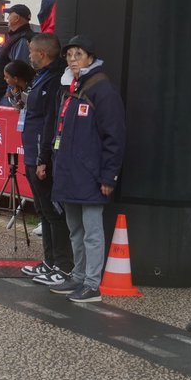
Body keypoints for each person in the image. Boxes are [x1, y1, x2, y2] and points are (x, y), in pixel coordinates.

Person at [37, 35, 126, 303]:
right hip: (68, 173)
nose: (73, 59)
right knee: (74, 229)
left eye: (78, 54)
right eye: (69, 55)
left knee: (92, 231)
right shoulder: (69, 88)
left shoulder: (103, 90)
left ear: (90, 57)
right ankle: (77, 276)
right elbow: (58, 129)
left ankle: (91, 284)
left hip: (90, 174)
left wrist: (108, 175)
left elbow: (115, 136)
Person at [17, 34, 71, 285]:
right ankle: (49, 262)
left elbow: (50, 122)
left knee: (52, 213)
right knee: (43, 211)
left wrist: (42, 158)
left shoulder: (55, 80)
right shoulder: (42, 77)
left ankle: (63, 265)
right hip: (31, 151)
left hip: (42, 154)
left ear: (42, 53)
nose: (28, 55)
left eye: (31, 51)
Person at [0, 3, 35, 104]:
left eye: (9, 15)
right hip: (6, 94)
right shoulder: (17, 37)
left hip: (9, 97)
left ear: (16, 18)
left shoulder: (22, 39)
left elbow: (18, 69)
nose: (7, 18)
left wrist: (11, 93)